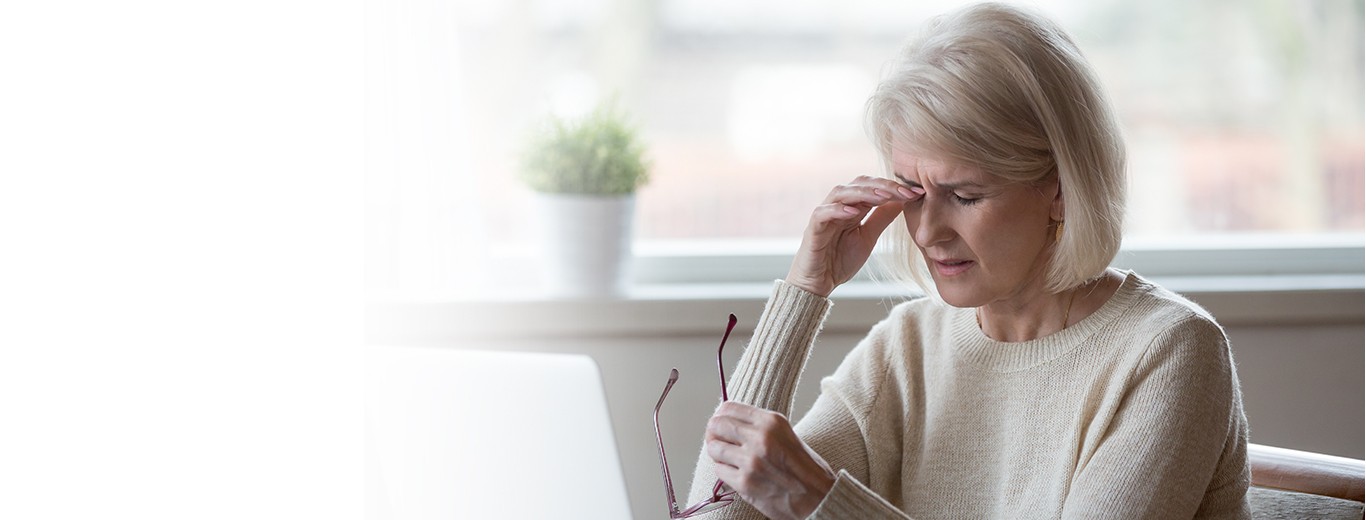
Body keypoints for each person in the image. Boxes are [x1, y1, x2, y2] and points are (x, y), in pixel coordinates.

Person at [685, 3, 1251, 519]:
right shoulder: (908, 347)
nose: (928, 231)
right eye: (911, 190)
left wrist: (821, 503)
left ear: (1059, 188)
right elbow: (715, 515)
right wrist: (804, 290)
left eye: (965, 196)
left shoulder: (1169, 352)